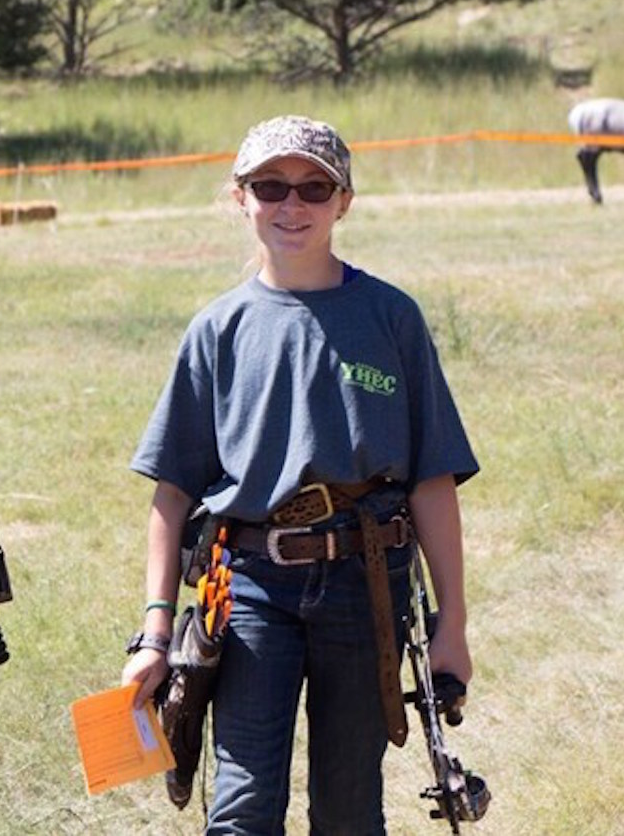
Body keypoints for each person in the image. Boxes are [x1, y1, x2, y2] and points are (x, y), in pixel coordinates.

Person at [120, 115, 479, 834]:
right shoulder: (216, 330)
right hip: (251, 589)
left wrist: (453, 624)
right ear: (240, 197)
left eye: (315, 188)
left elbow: (432, 482)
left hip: (367, 581)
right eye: (271, 186)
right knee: (244, 803)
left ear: (344, 201)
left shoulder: (390, 317)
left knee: (349, 806)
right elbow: (172, 493)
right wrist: (156, 633)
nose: (293, 205)